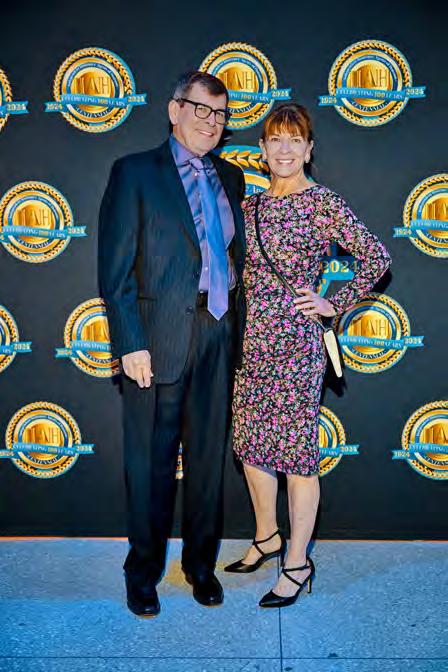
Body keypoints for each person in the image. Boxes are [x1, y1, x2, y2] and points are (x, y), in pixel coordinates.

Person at [225, 103, 391, 608]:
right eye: (275, 139)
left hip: (297, 346)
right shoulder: (250, 207)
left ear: (309, 149)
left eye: (294, 140)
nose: (284, 149)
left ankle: (297, 563)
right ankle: (266, 538)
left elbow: (376, 257)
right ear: (262, 148)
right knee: (251, 446)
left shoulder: (322, 203)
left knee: (296, 456)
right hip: (250, 344)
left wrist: (334, 302)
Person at [98, 71, 246, 617]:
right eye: (201, 109)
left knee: (207, 463)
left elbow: (232, 255)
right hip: (155, 342)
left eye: (220, 113)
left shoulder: (231, 177)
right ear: (174, 109)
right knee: (150, 466)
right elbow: (115, 270)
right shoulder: (135, 172)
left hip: (217, 333)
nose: (212, 122)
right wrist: (129, 342)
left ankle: (200, 567)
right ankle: (142, 574)